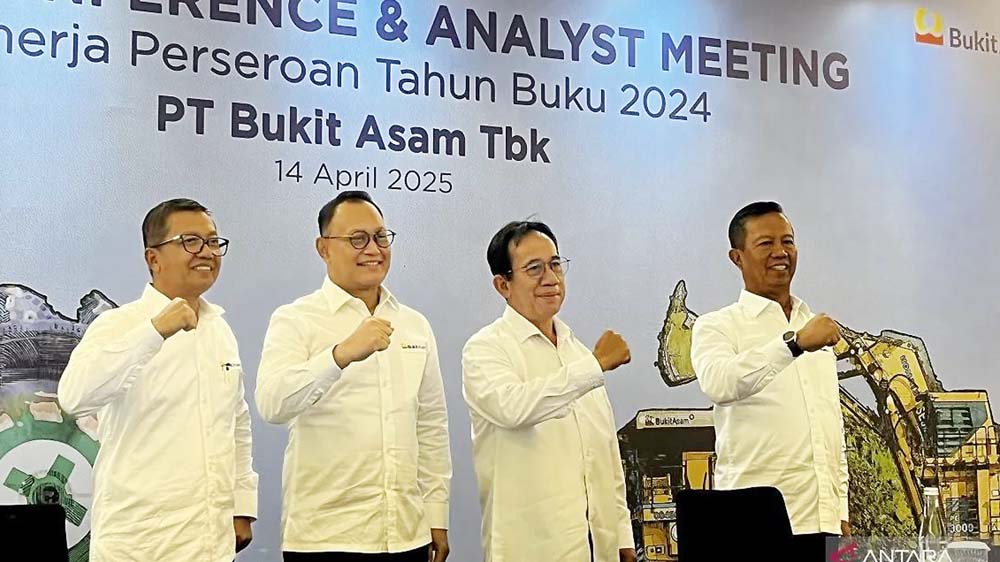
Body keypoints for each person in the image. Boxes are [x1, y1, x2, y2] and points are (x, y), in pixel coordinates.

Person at [256, 191, 452, 562]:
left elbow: (430, 426)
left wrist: (436, 515)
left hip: (407, 535)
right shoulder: (295, 319)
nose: (373, 249)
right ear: (324, 248)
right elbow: (272, 403)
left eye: (381, 237)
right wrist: (339, 355)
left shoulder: (414, 324)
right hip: (326, 539)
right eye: (357, 239)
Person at [59, 198, 258, 561]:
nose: (207, 252)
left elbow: (236, 423)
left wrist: (242, 505)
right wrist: (155, 331)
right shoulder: (119, 324)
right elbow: (75, 396)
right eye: (190, 241)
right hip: (140, 545)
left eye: (213, 242)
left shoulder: (220, 330)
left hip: (211, 543)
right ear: (154, 258)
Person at [462, 220, 637, 562]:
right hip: (530, 548)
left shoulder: (577, 353)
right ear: (503, 285)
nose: (551, 278)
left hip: (598, 548)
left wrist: (622, 536)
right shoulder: (485, 348)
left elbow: (604, 454)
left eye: (555, 264)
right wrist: (595, 366)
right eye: (534, 268)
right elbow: (513, 408)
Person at [691, 201, 849, 559]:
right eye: (766, 244)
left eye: (787, 241)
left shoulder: (813, 324)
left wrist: (840, 509)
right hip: (751, 522)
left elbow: (830, 426)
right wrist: (793, 344)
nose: (781, 252)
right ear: (737, 258)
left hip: (822, 522)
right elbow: (719, 383)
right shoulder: (717, 325)